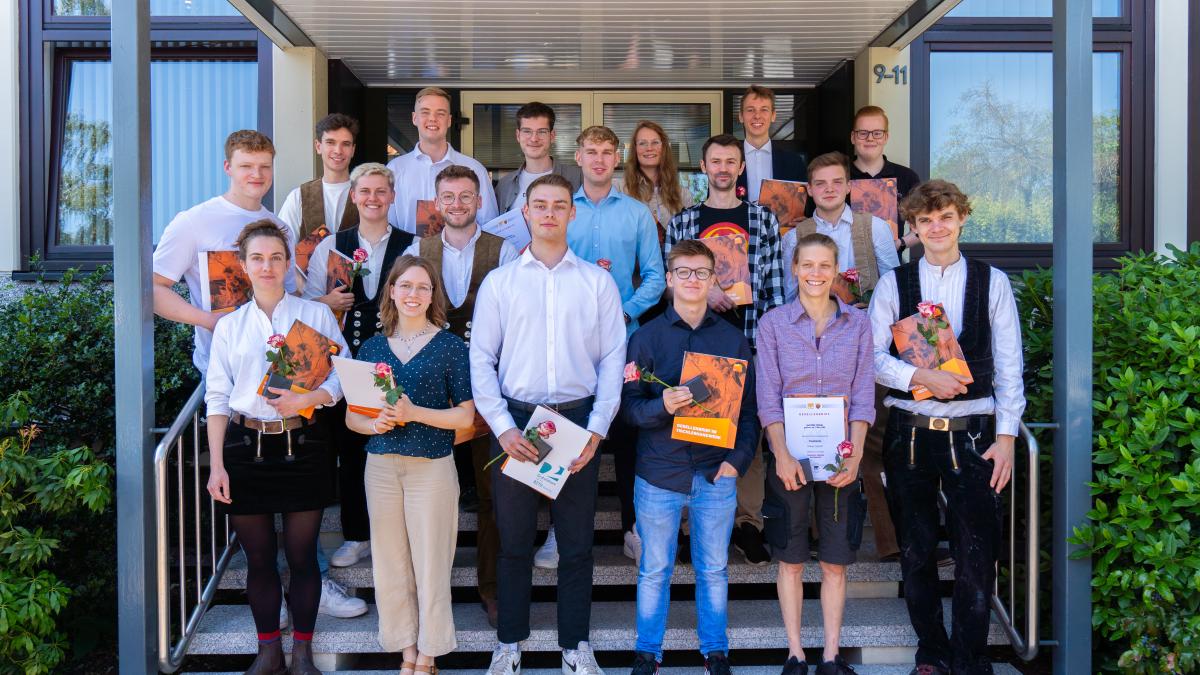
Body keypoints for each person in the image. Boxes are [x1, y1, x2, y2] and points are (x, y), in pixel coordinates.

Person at [471, 174, 626, 675]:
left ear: (572, 213)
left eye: (559, 205)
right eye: (540, 205)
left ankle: (574, 645)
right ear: (525, 213)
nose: (550, 213)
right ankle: (509, 643)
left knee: (576, 546)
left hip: (576, 420)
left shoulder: (597, 282)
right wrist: (502, 427)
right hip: (517, 422)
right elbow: (481, 360)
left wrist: (597, 429)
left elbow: (612, 358)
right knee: (514, 543)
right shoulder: (501, 283)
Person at [869, 180, 1025, 675]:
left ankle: (970, 658)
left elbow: (1010, 366)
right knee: (916, 551)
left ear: (961, 219)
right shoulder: (893, 283)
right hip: (909, 433)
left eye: (945, 217)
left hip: (975, 434)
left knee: (976, 552)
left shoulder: (992, 281)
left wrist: (1007, 439)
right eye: (926, 220)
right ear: (913, 228)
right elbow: (871, 356)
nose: (936, 227)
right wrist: (920, 377)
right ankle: (932, 652)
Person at [205, 221, 349, 675]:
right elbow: (217, 398)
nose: (267, 266)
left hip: (303, 444)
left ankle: (303, 655)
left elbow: (343, 375)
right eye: (257, 258)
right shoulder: (229, 327)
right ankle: (269, 653)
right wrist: (216, 465)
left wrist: (310, 397)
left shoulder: (315, 316)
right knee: (260, 559)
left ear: (288, 264)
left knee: (303, 558)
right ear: (244, 266)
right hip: (245, 449)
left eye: (275, 258)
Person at [622, 240, 758, 675]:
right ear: (668, 279)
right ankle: (647, 654)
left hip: (715, 473)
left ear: (714, 278)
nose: (692, 280)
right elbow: (628, 410)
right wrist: (662, 405)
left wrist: (736, 462)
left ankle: (715, 652)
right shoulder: (645, 338)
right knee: (654, 569)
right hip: (659, 473)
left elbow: (749, 413)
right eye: (683, 272)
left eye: (701, 272)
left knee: (714, 569)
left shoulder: (732, 340)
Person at [533, 125, 664, 567]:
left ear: (617, 157)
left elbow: (655, 276)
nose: (599, 160)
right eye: (591, 151)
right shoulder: (561, 209)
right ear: (578, 156)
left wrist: (623, 313)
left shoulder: (636, 213)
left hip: (622, 338)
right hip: (564, 340)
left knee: (626, 437)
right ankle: (558, 531)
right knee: (565, 429)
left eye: (608, 152)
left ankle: (633, 528)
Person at [347, 255, 475, 675]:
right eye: (405, 285)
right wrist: (376, 423)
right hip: (381, 467)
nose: (413, 294)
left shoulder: (451, 347)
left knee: (432, 563)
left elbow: (465, 417)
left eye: (423, 287)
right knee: (389, 562)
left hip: (431, 467)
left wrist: (414, 412)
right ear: (391, 291)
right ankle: (405, 648)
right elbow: (353, 417)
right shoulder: (372, 348)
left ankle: (429, 653)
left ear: (433, 294)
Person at [405, 164, 518, 627]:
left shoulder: (504, 249)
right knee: (428, 496)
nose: (456, 204)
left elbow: (515, 319)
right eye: (448, 197)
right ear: (437, 203)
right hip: (430, 391)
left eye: (465, 196)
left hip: (489, 388)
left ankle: (492, 588)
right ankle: (427, 593)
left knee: (493, 496)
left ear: (479, 201)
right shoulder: (417, 250)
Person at [664, 133, 786, 566]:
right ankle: (687, 527)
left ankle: (748, 524)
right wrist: (707, 291)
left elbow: (775, 288)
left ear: (741, 168)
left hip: (748, 338)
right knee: (691, 430)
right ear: (703, 167)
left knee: (748, 432)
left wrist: (770, 346)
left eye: (730, 161)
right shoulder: (683, 222)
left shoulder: (762, 220)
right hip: (694, 340)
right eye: (715, 161)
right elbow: (672, 284)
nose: (722, 168)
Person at [758, 233, 875, 675]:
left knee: (835, 561)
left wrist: (856, 455)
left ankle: (830, 654)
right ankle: (795, 653)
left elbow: (863, 395)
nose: (815, 273)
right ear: (794, 268)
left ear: (836, 269)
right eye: (807, 264)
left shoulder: (857, 324)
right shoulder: (773, 324)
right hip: (790, 455)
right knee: (790, 560)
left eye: (824, 265)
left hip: (840, 456)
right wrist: (781, 453)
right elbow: (768, 397)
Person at [303, 163, 417, 578]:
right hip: (345, 364)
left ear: (392, 197)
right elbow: (307, 305)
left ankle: (401, 536)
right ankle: (357, 535)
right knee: (352, 453)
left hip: (398, 361)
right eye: (365, 191)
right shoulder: (332, 245)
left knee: (401, 448)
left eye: (380, 191)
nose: (373, 198)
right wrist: (326, 302)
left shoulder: (412, 246)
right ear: (353, 196)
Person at [153, 130, 295, 374]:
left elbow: (291, 294)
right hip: (222, 370)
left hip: (280, 369)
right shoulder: (194, 222)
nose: (257, 174)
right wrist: (209, 321)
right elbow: (153, 289)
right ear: (228, 167)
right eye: (246, 166)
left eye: (265, 166)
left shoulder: (281, 228)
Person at [781, 152, 900, 302]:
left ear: (848, 186)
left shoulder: (876, 228)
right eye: (820, 183)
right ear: (809, 189)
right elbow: (789, 295)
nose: (829, 189)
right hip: (810, 316)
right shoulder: (793, 237)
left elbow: (893, 287)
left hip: (866, 315)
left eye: (837, 182)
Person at [387, 87, 498, 234]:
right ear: (414, 118)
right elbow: (388, 226)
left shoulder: (475, 169)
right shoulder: (394, 170)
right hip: (409, 249)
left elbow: (489, 227)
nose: (432, 118)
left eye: (440, 113)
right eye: (425, 112)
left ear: (449, 120)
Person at [277, 113, 360, 246]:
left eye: (345, 144)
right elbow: (282, 249)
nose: (338, 151)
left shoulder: (366, 196)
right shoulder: (298, 197)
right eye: (330, 142)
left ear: (353, 150)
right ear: (318, 146)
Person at [848, 106, 921, 253]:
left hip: (892, 263)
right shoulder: (838, 178)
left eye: (877, 133)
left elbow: (925, 224)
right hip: (845, 264)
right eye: (863, 133)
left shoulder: (907, 177)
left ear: (886, 137)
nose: (870, 138)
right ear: (853, 137)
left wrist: (900, 244)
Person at [494, 101, 583, 213]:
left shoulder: (578, 178)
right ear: (518, 135)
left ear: (552, 136)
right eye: (527, 131)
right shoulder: (504, 185)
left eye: (541, 132)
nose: (534, 139)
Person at [621, 120, 694, 235]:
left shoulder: (683, 195)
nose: (649, 148)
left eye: (655, 142)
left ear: (664, 147)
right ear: (635, 149)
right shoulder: (620, 191)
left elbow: (690, 239)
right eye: (642, 143)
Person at [736, 85, 806, 203]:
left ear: (773, 115)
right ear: (741, 116)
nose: (757, 116)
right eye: (750, 110)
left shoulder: (794, 163)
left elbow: (802, 205)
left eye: (764, 110)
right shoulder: (727, 162)